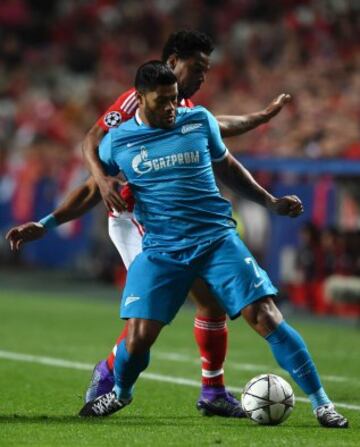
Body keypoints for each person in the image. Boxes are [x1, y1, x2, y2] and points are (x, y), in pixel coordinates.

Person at [6, 30, 292, 419]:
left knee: (210, 302)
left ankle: (212, 391)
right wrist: (93, 187)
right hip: (135, 221)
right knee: (158, 309)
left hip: (165, 221)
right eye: (198, 67)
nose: (204, 75)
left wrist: (260, 117)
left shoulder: (179, 105)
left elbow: (217, 123)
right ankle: (110, 375)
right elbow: (92, 142)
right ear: (174, 61)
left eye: (208, 69)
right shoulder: (132, 103)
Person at [78, 61, 348, 428]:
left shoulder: (198, 120)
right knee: (138, 338)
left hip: (217, 240)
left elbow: (230, 168)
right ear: (139, 98)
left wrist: (270, 201)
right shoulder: (119, 141)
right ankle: (121, 393)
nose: (172, 107)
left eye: (174, 99)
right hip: (162, 249)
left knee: (266, 316)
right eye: (162, 101)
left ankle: (322, 404)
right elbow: (91, 185)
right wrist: (49, 220)